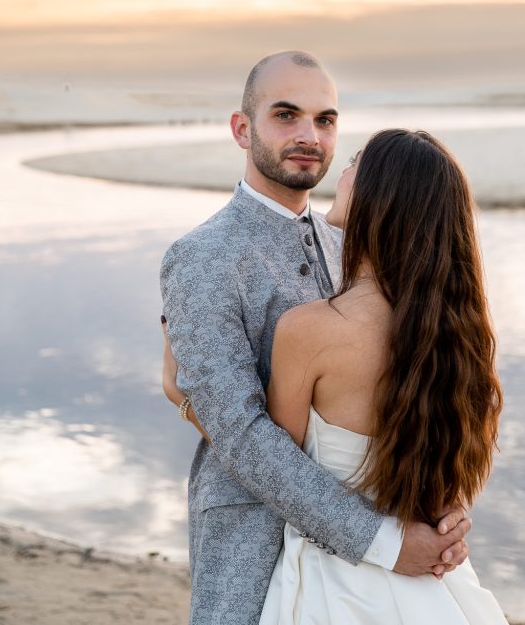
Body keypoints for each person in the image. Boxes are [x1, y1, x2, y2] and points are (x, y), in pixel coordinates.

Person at [160, 52, 471, 625]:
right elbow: (243, 433)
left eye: (325, 120)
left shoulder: (351, 243)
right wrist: (382, 542)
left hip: (376, 550)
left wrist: (440, 500)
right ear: (242, 128)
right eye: (286, 115)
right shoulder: (203, 258)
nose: (309, 136)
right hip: (252, 546)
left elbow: (408, 387)